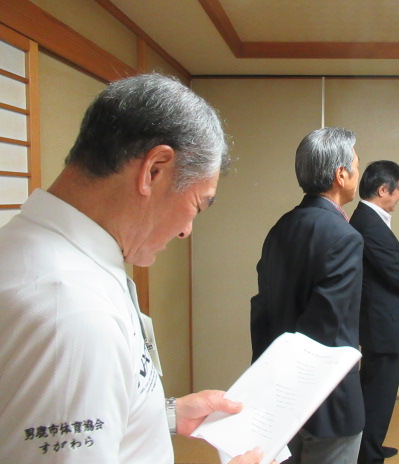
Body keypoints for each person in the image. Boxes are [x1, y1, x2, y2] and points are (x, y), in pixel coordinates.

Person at [0, 74, 263, 464]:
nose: (186, 230)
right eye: (197, 205)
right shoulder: (73, 312)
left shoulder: (33, 248)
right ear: (154, 170)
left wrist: (161, 415)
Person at [250, 127, 365, 464]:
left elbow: (262, 309)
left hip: (278, 392)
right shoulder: (344, 236)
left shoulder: (281, 227)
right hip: (327, 399)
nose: (357, 175)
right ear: (341, 175)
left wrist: (268, 381)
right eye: (356, 167)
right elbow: (327, 324)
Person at [349, 160, 399, 464]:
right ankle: (368, 455)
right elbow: (395, 271)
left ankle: (370, 447)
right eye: (398, 190)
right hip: (382, 325)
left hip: (381, 320)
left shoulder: (369, 219)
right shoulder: (368, 223)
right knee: (378, 395)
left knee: (373, 391)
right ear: (383, 190)